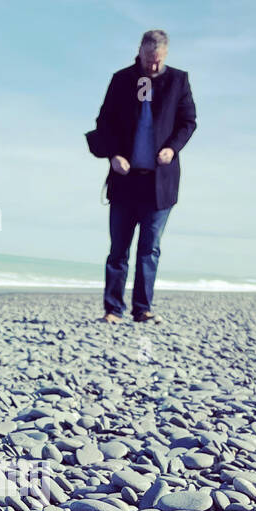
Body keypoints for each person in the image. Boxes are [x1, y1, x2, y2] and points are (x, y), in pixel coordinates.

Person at [86, 29, 197, 324]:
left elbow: (188, 122)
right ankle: (113, 309)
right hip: (125, 180)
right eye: (148, 59)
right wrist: (113, 155)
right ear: (140, 51)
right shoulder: (121, 80)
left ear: (166, 54)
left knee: (150, 249)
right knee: (119, 249)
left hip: (159, 183)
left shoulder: (178, 80)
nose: (152, 65)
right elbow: (103, 123)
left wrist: (172, 149)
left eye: (158, 60)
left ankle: (142, 309)